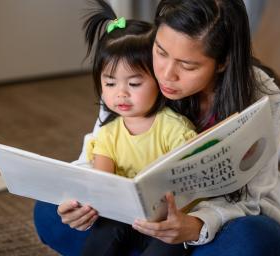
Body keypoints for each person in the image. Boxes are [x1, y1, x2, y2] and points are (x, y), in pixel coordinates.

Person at [34, 0, 280, 255]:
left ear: (223, 61)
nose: (166, 74)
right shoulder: (136, 69)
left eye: (187, 66)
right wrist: (80, 203)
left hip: (206, 228)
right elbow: (98, 150)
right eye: (161, 51)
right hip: (128, 221)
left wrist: (197, 225)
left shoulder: (259, 98)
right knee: (48, 210)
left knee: (258, 239)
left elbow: (252, 199)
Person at [81, 1, 198, 255]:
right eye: (110, 83)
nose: (120, 94)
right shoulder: (109, 134)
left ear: (158, 79)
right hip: (123, 216)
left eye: (134, 84)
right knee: (100, 235)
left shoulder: (174, 130)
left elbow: (188, 186)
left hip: (167, 223)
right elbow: (102, 183)